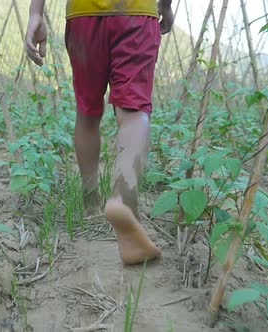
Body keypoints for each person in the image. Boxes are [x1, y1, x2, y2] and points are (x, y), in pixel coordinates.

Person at [25, 0, 174, 265]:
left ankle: (90, 202)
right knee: (134, 111)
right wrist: (166, 5)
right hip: (137, 13)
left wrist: (36, 13)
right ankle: (123, 197)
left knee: (88, 112)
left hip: (84, 16)